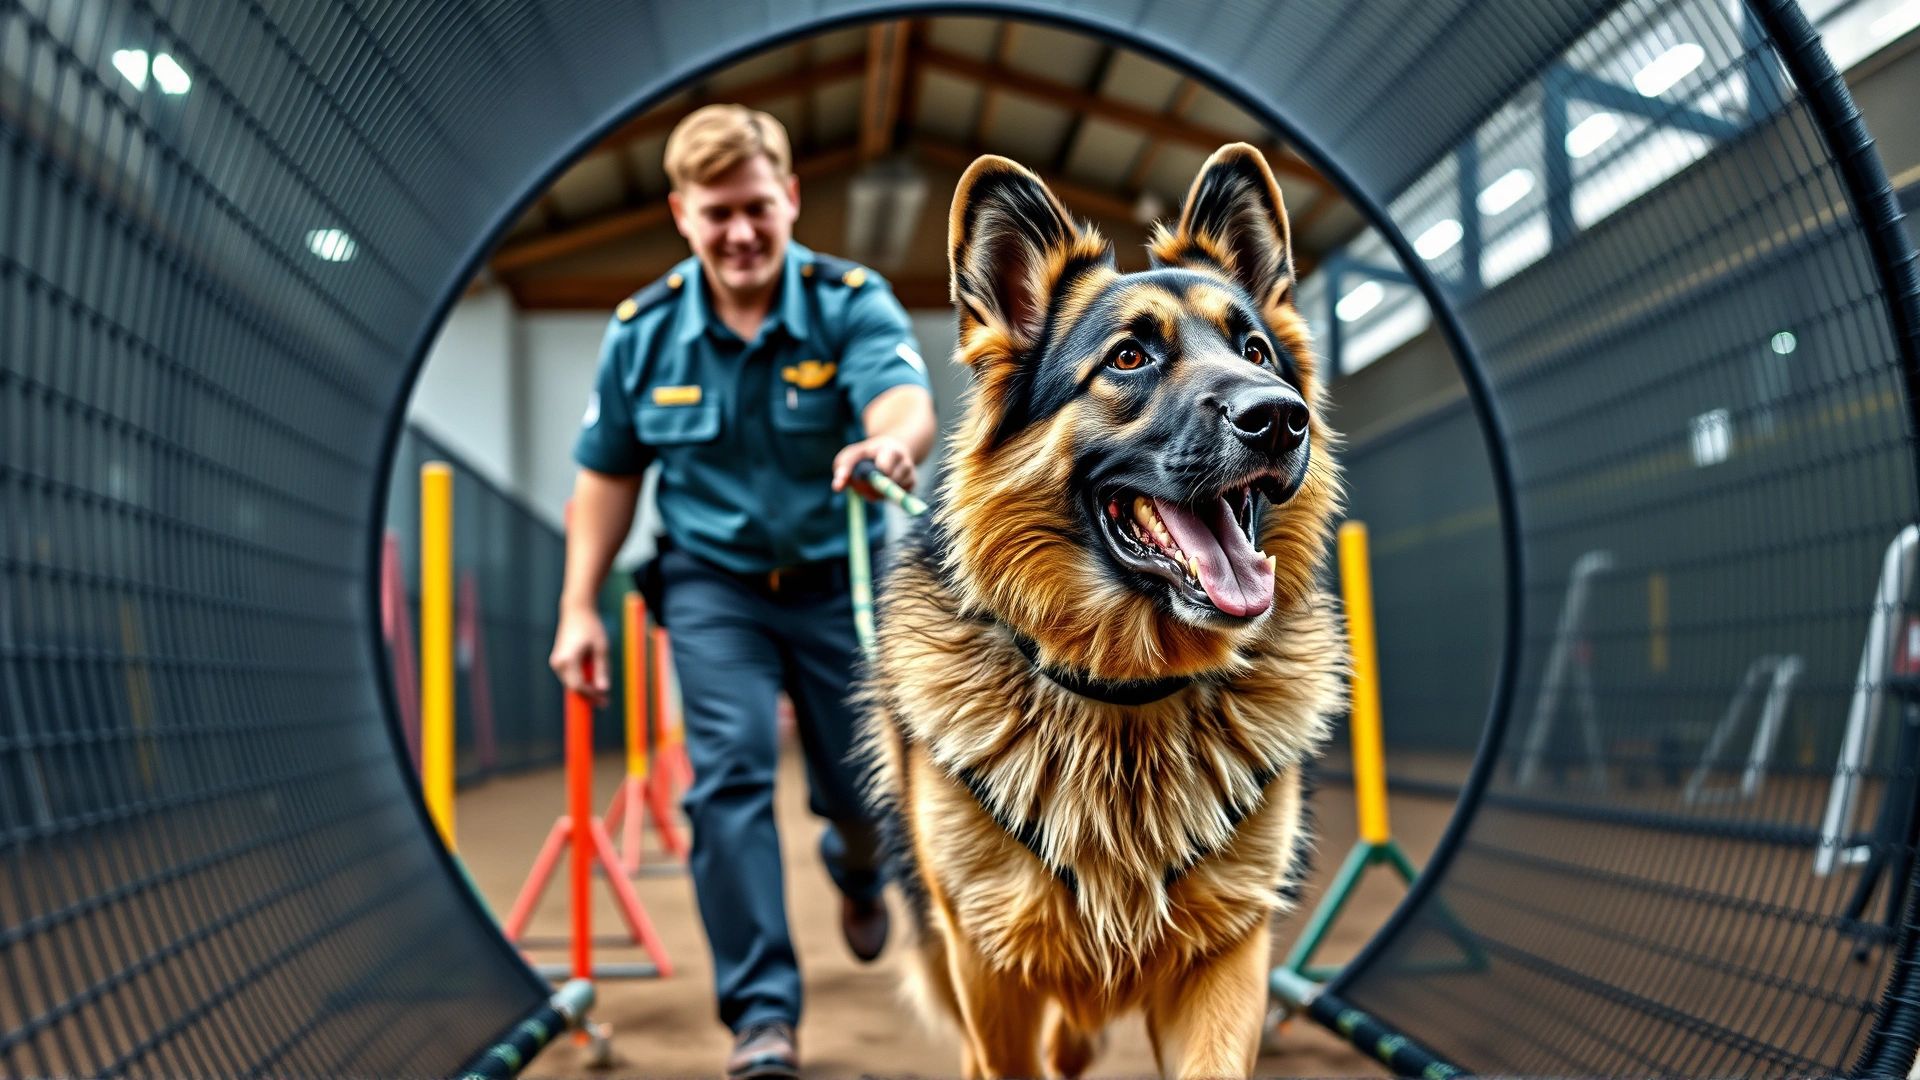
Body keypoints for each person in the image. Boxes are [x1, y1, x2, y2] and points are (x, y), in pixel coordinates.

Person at [547, 104, 936, 1080]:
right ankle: (763, 1016)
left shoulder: (850, 300)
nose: (741, 232)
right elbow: (605, 478)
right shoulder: (641, 334)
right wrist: (577, 606)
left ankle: (856, 866)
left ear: (791, 199)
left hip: (838, 576)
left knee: (866, 787)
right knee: (729, 778)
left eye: (758, 207)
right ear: (683, 214)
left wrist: (890, 442)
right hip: (713, 584)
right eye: (717, 212)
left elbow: (902, 396)